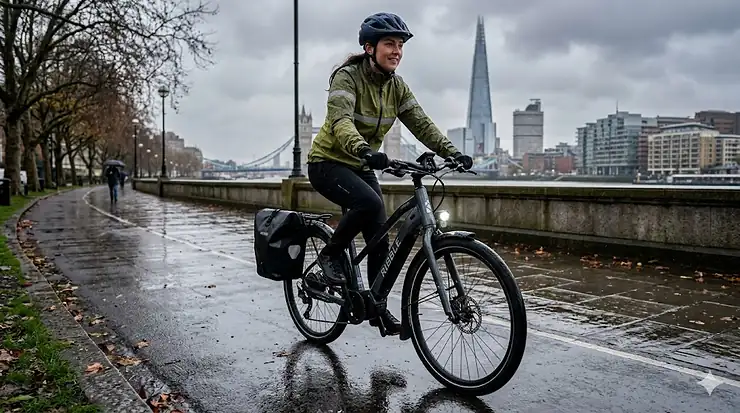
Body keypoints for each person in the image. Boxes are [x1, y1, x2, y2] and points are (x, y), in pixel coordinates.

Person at [306, 12, 473, 335]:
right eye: (389, 44)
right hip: (328, 162)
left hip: (363, 164)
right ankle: (330, 255)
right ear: (369, 48)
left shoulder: (397, 87)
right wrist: (365, 150)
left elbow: (421, 123)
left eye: (400, 45)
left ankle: (375, 308)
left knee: (379, 237)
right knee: (368, 203)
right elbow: (341, 122)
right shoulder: (347, 78)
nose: (396, 51)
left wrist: (452, 152)